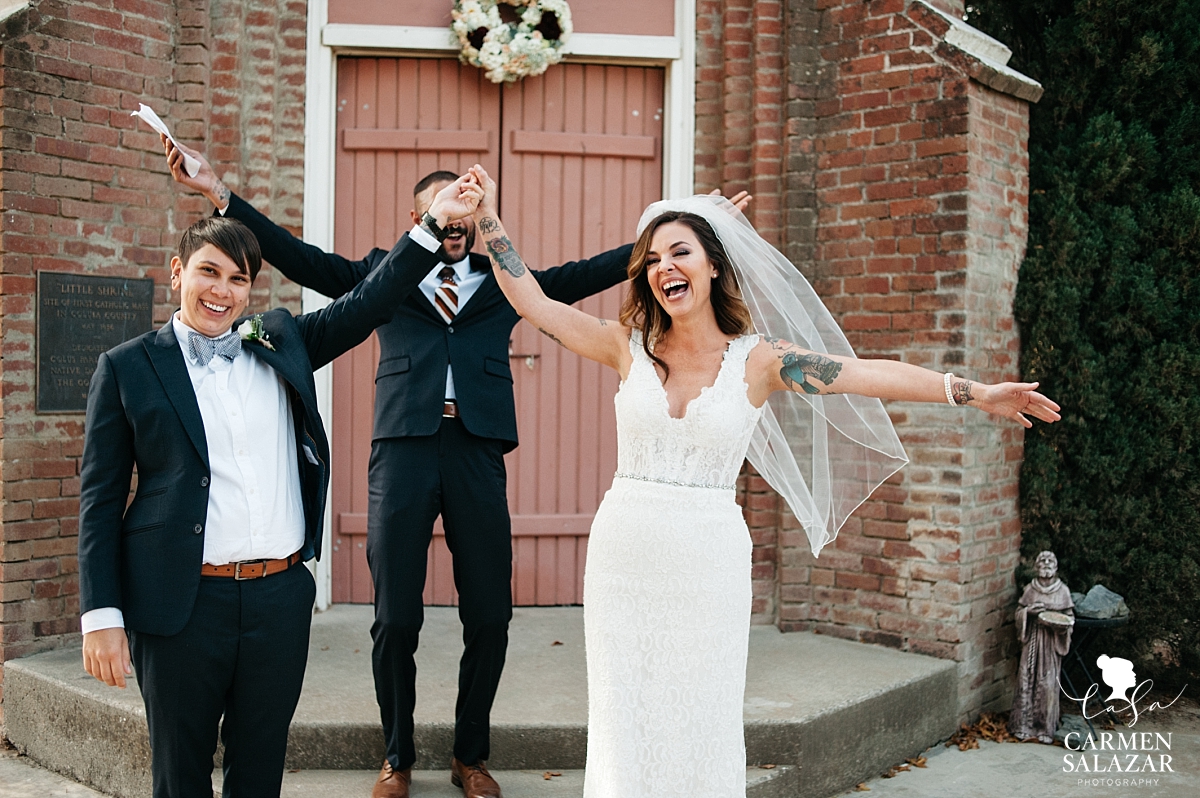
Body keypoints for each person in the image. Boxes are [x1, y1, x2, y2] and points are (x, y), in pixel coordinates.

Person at [159, 138, 750, 798]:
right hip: (401, 451)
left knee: (490, 614)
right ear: (423, 219)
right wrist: (219, 195)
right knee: (395, 620)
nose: (456, 230)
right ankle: (396, 755)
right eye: (444, 218)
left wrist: (697, 226)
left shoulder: (506, 275)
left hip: (477, 450)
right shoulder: (387, 272)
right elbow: (296, 257)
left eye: (467, 219)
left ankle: (472, 754)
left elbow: (597, 270)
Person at [464, 164, 1062, 797]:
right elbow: (531, 300)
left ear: (714, 265)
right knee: (624, 713)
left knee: (702, 713)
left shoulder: (760, 361)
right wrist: (486, 218)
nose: (665, 266)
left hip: (709, 558)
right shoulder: (625, 346)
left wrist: (972, 392)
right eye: (653, 259)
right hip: (625, 555)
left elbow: (864, 375)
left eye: (681, 252)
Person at [77, 174, 482, 798]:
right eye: (210, 273)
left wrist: (432, 227)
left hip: (279, 599)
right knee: (179, 776)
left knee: (261, 771)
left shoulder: (281, 340)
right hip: (182, 604)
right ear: (179, 271)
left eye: (239, 280)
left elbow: (371, 300)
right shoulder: (128, 365)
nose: (223, 292)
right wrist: (100, 615)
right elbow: (100, 499)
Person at [1010, 550, 1074, 743]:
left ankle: (1045, 727)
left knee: (1047, 683)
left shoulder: (1063, 591)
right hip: (1032, 640)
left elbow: (1070, 618)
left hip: (1050, 641)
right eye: (1042, 561)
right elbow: (1020, 611)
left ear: (1056, 566)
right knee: (1026, 678)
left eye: (1050, 561)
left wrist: (1059, 625)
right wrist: (1028, 612)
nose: (1046, 564)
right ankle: (1022, 725)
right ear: (1037, 566)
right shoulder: (1031, 589)